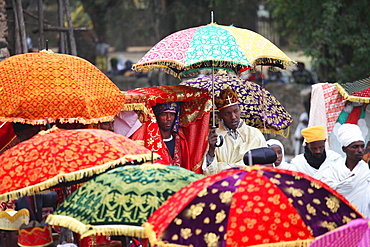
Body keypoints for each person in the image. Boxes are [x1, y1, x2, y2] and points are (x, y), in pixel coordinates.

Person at [202, 88, 267, 175]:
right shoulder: (213, 137)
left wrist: (224, 167)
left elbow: (264, 165)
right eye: (227, 114)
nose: (233, 117)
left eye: (236, 111)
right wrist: (211, 150)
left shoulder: (255, 134)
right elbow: (210, 173)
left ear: (240, 110)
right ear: (219, 115)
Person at [314, 124, 370, 217]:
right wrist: (345, 184)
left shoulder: (366, 172)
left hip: (362, 222)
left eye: (362, 146)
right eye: (355, 147)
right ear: (344, 149)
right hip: (337, 220)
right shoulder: (333, 170)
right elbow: (325, 191)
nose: (360, 150)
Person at [152, 102, 191, 168]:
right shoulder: (151, 142)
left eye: (172, 114)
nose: (169, 118)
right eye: (164, 114)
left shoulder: (181, 141)